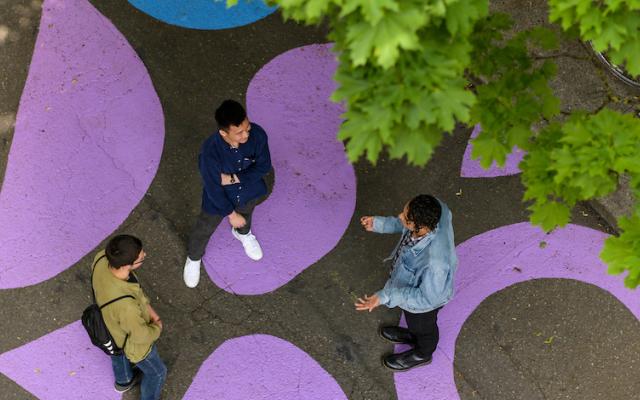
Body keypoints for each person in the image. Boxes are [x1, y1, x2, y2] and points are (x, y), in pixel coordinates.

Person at [355, 195, 457, 371]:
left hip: (425, 302)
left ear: (423, 227)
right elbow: (405, 225)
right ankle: (413, 335)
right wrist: (380, 224)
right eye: (404, 211)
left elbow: (427, 300)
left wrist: (385, 296)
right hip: (417, 287)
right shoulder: (435, 209)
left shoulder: (436, 266)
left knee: (424, 327)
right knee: (414, 323)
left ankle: (423, 353)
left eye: (406, 218)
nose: (400, 217)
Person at [183, 99, 272, 288]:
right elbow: (213, 187)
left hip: (249, 191)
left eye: (247, 128)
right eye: (239, 132)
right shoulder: (210, 152)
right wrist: (231, 214)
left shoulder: (258, 135)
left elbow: (264, 166)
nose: (246, 134)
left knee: (246, 215)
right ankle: (194, 257)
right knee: (205, 227)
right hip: (220, 199)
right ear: (223, 132)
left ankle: (243, 233)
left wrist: (232, 178)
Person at [92, 234, 167, 399]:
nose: (145, 255)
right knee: (158, 373)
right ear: (127, 265)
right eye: (141, 258)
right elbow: (140, 336)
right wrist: (157, 327)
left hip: (108, 325)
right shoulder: (127, 307)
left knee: (118, 352)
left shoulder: (101, 258)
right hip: (133, 342)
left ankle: (124, 381)